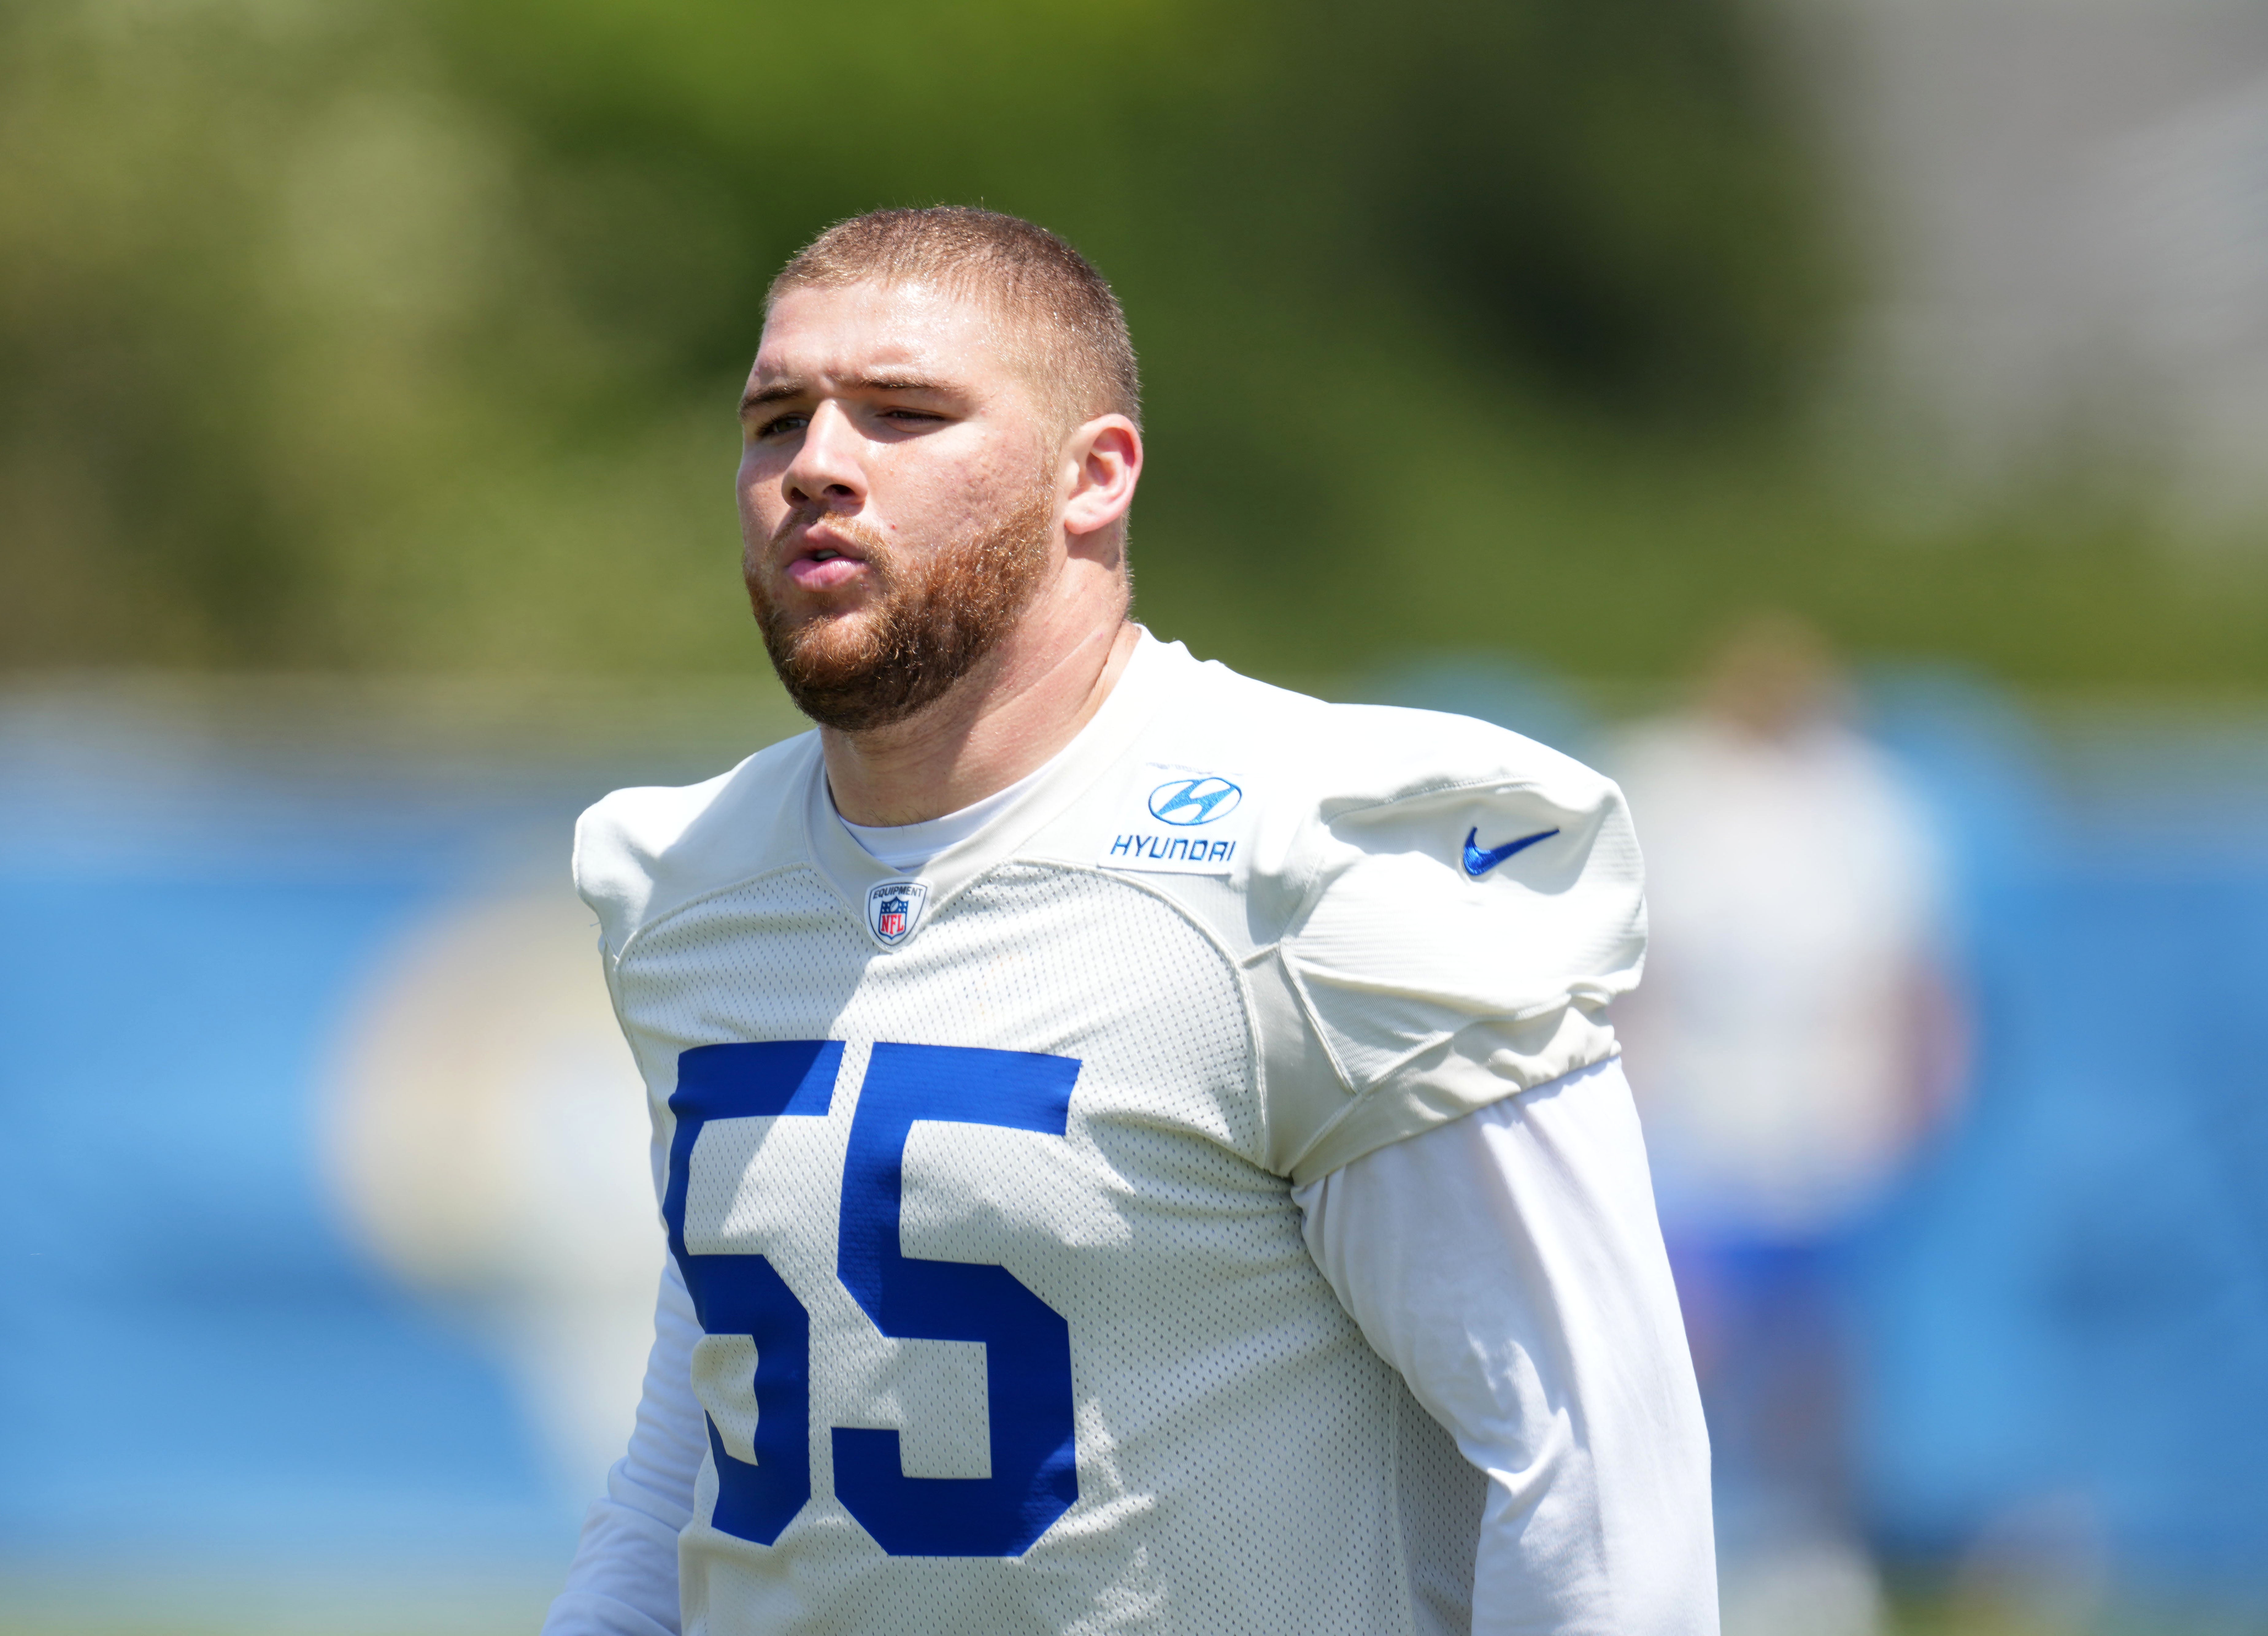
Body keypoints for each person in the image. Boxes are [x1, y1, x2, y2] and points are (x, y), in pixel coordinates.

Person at [545, 207, 1714, 1636]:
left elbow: (1593, 1472)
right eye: (776, 418)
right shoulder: (691, 882)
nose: (818, 465)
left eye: (904, 412)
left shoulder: (1311, 861)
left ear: (1092, 476)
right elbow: (704, 1431)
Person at [1609, 613, 1962, 1636]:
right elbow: (1637, 977)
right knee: (1684, 1354)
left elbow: (1911, 979)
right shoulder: (1667, 788)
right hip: (1694, 1133)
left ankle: (1808, 1556)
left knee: (1816, 1362)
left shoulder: (1863, 806)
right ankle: (1677, 1558)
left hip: (1827, 1131)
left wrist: (1906, 1119)